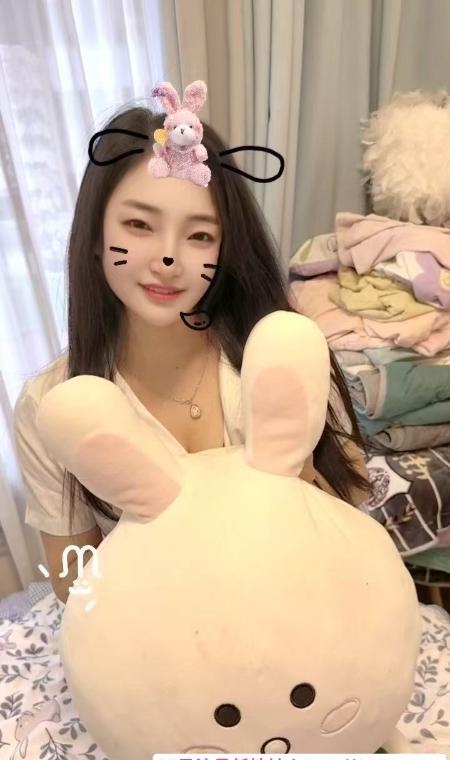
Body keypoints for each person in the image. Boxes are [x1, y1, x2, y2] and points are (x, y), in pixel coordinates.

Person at [14, 102, 371, 604]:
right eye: (139, 225)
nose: (168, 259)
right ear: (96, 237)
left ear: (225, 250)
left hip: (295, 616)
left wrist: (299, 479)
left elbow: (348, 517)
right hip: (154, 635)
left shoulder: (278, 355)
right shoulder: (50, 403)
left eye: (200, 235)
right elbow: (77, 583)